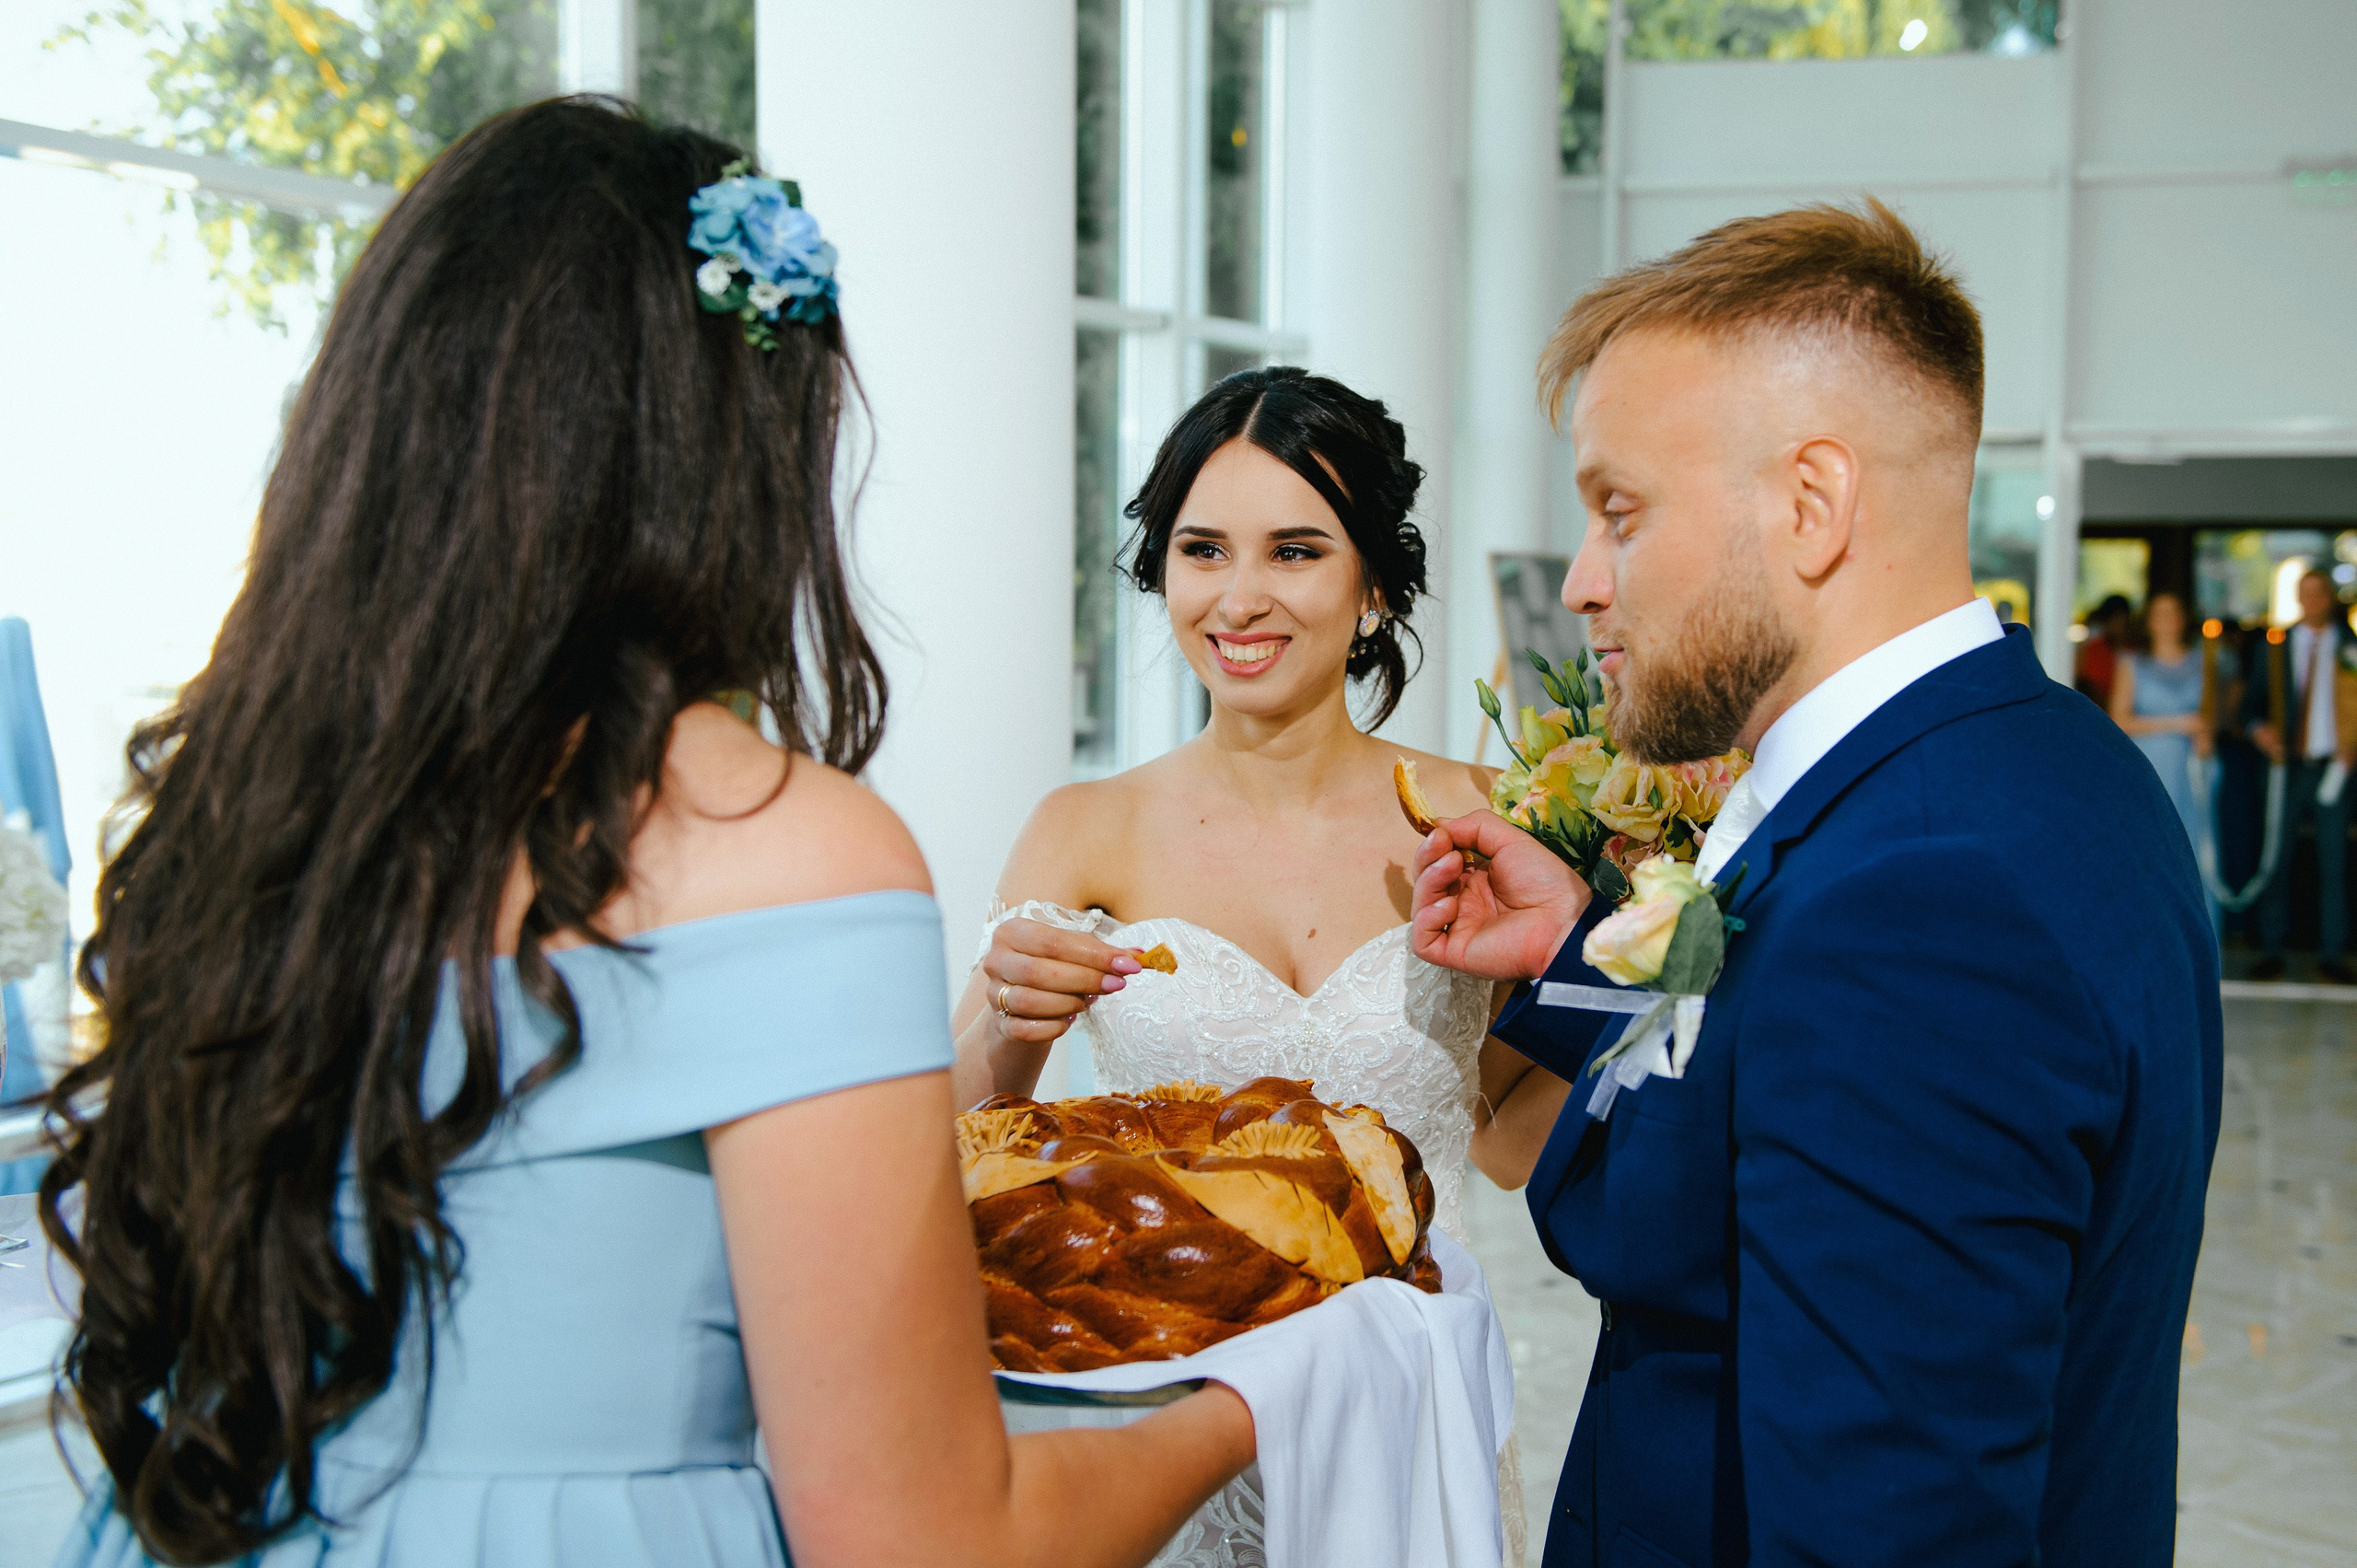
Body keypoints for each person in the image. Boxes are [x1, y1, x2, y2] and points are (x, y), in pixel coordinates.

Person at [38, 99, 1252, 1568]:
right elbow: (929, 1541)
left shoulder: (240, 818)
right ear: (731, 454)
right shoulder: (777, 843)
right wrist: (1260, 1397)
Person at [1407, 200, 2221, 1566]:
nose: (1589, 582)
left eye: (1621, 510)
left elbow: (1891, 1528)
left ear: (1812, 502)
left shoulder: (1922, 908)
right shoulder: (2040, 768)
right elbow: (1733, 1155)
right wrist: (1584, 951)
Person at [954, 366, 1569, 1565]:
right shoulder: (1086, 826)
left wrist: (1615, 966)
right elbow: (956, 1148)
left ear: (1374, 583)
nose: (1239, 597)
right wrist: (1020, 1027)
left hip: (1416, 1419)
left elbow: (1509, 1134)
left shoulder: (1481, 816)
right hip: (1181, 1419)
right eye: (1202, 549)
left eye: (1294, 549)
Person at [2242, 566, 2357, 983]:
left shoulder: (2350, 646)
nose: (2313, 601)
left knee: (2335, 863)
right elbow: (2250, 707)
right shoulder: (2275, 647)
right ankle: (2272, 947)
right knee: (2276, 856)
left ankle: (2332, 952)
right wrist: (2261, 731)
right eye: (2304, 594)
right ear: (2297, 598)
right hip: (2284, 768)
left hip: (2334, 768)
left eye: (2320, 593)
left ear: (2330, 598)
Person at [2110, 590, 2219, 932]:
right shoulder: (2132, 664)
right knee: (2151, 854)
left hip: (2192, 772)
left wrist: (2204, 736)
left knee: (2196, 854)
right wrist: (2178, 723)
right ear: (2149, 621)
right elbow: (2119, 721)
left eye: (2174, 613)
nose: (2167, 620)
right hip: (2151, 769)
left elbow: (2213, 719)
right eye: (2159, 613)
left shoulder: (2205, 661)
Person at [2075, 592, 2133, 707]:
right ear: (2105, 621)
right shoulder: (2093, 651)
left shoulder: (2136, 653)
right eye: (2115, 619)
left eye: (2123, 619)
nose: (2119, 625)